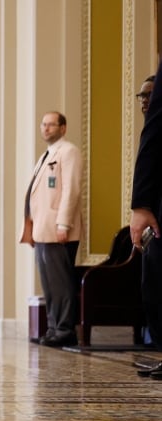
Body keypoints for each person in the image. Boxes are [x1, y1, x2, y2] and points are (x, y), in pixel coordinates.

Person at [20, 111, 84, 347]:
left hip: (58, 228)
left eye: (51, 125)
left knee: (61, 282)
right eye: (43, 125)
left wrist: (63, 223)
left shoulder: (69, 152)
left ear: (63, 128)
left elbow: (71, 190)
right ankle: (54, 327)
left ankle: (65, 329)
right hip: (42, 229)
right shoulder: (46, 155)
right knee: (48, 283)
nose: (46, 129)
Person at [132, 64, 162, 377]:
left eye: (149, 95)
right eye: (141, 95)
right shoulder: (149, 128)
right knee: (152, 288)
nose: (144, 100)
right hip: (153, 220)